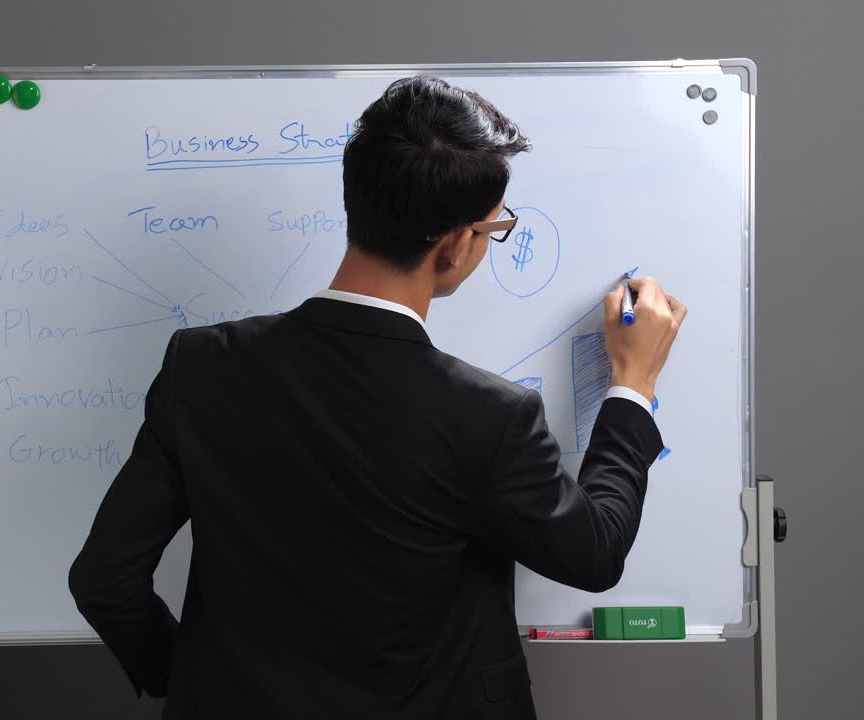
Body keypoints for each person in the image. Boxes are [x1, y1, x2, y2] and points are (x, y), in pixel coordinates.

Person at [69, 74, 687, 719]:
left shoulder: (202, 367)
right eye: (492, 228)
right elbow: (594, 553)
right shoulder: (489, 417)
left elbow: (103, 579)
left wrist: (195, 678)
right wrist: (632, 386)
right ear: (453, 244)